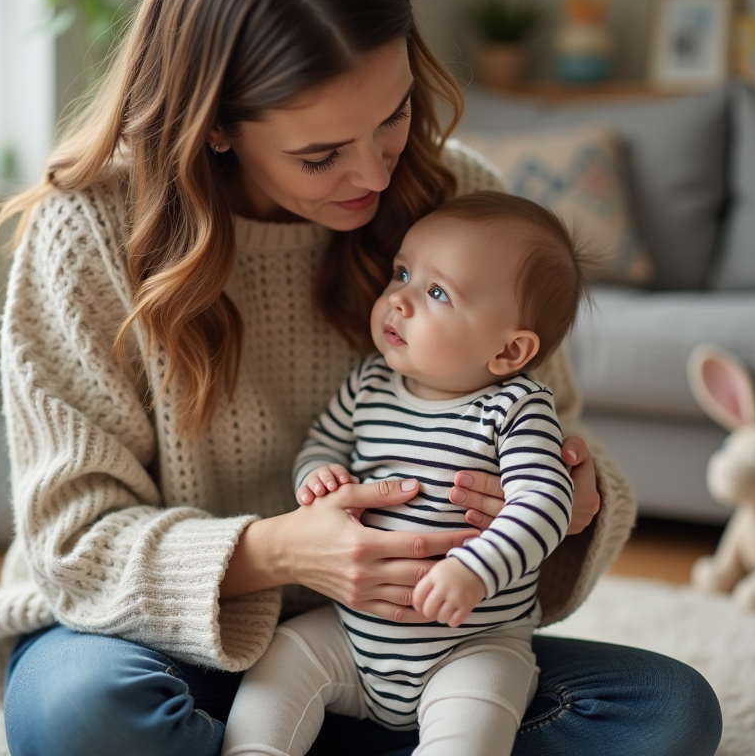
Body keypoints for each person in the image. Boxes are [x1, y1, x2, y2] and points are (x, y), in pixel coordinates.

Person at [0, 0, 723, 755]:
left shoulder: (456, 197)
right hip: (159, 640)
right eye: (320, 155)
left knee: (668, 711)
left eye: (394, 115)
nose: (374, 172)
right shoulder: (89, 229)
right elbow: (73, 545)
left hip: (411, 641)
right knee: (82, 714)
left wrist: (572, 498)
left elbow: (550, 426)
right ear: (215, 125)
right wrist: (282, 550)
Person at [221, 191, 591, 756]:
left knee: (475, 725)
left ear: (509, 351)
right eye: (402, 273)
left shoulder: (516, 408)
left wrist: (477, 569)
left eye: (436, 292)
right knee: (281, 661)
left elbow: (544, 504)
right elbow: (323, 442)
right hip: (351, 633)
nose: (399, 299)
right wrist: (317, 476)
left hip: (471, 644)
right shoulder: (369, 383)